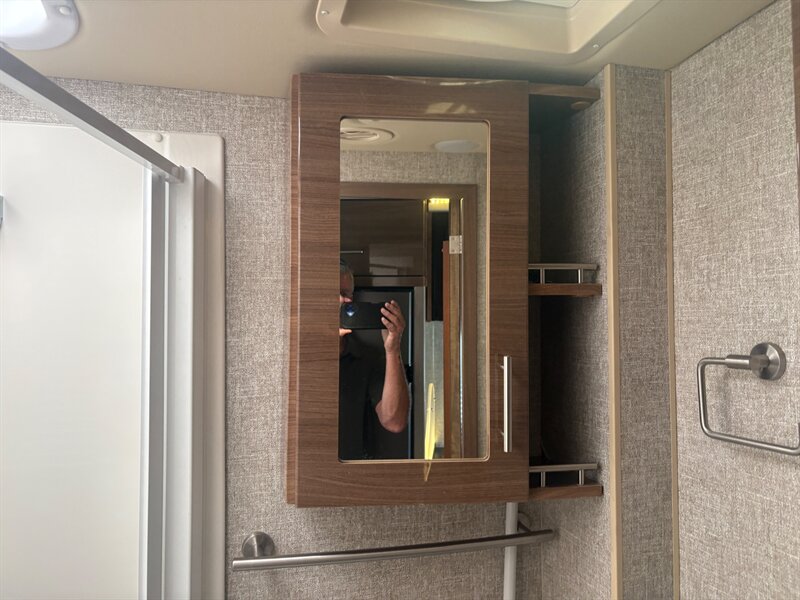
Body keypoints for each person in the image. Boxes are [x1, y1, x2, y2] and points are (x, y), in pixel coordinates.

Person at [338, 260, 409, 459]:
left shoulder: (366, 358)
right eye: (336, 293)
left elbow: (394, 421)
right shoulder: (297, 353)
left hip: (349, 472)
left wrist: (393, 348)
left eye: (347, 294)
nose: (345, 301)